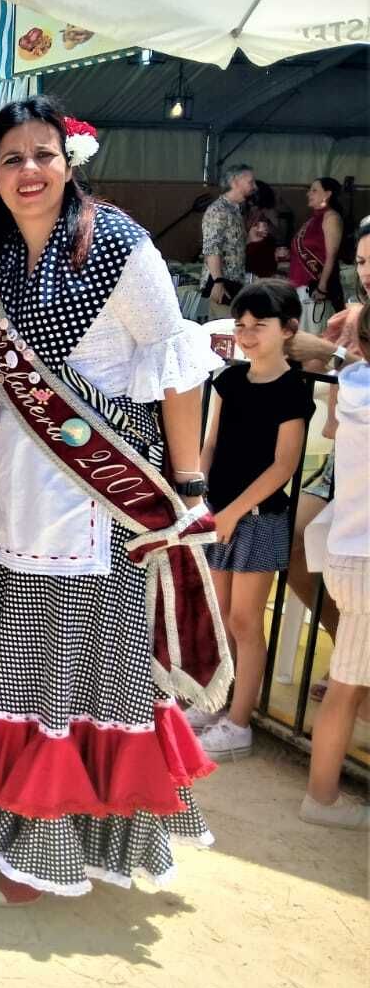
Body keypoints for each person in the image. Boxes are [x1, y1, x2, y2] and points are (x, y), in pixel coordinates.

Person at [0, 95, 228, 906]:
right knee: (25, 671)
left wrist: (190, 485)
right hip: (17, 501)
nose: (29, 171)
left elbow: (174, 362)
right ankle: (25, 828)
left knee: (79, 676)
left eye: (42, 155)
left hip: (96, 502)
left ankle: (61, 845)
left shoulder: (118, 244)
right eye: (11, 160)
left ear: (68, 163)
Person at [193, 283, 314, 761]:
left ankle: (239, 722)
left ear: (287, 330)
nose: (247, 335)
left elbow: (283, 465)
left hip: (258, 520)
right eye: (241, 326)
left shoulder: (292, 392)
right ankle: (216, 701)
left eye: (258, 326)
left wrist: (232, 512)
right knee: (219, 617)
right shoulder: (228, 380)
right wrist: (200, 500)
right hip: (218, 515)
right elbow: (210, 445)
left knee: (245, 620)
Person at [302, 303, 369, 828]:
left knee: (347, 686)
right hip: (364, 561)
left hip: (347, 555)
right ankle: (321, 798)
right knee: (346, 690)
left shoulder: (353, 388)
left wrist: (342, 354)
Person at [201, 163, 256, 316]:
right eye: (250, 182)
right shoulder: (218, 210)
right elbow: (212, 248)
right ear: (235, 182)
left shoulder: (235, 209)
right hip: (223, 283)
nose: (254, 186)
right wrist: (218, 282)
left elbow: (232, 247)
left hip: (234, 281)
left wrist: (249, 239)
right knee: (223, 331)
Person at [292, 177, 346, 332]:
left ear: (327, 194)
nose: (309, 193)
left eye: (314, 190)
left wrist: (322, 287)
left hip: (315, 290)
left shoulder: (331, 217)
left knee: (315, 337)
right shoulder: (313, 219)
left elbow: (331, 256)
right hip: (301, 288)